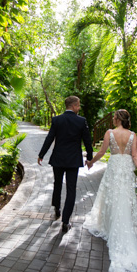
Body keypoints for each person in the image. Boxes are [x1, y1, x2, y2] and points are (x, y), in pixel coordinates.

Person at [84, 109, 137, 272]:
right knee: (124, 200)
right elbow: (135, 155)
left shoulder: (109, 133)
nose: (112, 118)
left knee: (111, 198)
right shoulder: (132, 135)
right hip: (126, 170)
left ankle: (111, 228)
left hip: (114, 168)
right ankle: (119, 226)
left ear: (118, 119)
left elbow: (103, 152)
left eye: (113, 116)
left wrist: (90, 162)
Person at [38, 96, 93, 233]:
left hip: (58, 159)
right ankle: (65, 221)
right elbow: (87, 141)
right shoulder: (81, 121)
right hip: (73, 160)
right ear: (73, 106)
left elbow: (50, 138)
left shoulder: (57, 120)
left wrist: (41, 154)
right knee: (71, 189)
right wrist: (89, 158)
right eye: (78, 105)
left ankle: (57, 208)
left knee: (57, 183)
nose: (79, 108)